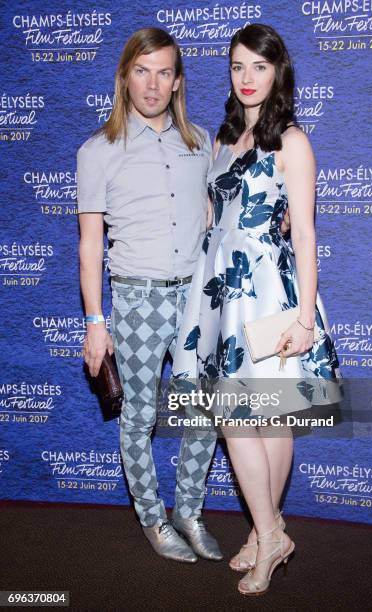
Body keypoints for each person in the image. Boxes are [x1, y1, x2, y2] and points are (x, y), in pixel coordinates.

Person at [172, 23, 341, 595]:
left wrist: (302, 320)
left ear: (278, 73)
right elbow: (213, 224)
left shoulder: (292, 141)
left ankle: (268, 534)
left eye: (259, 67)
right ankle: (267, 530)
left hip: (269, 293)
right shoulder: (222, 141)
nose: (247, 78)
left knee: (259, 417)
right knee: (244, 418)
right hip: (221, 294)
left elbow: (307, 237)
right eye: (238, 67)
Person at [76, 27, 224, 564]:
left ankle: (189, 510)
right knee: (139, 417)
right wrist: (96, 322)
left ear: (178, 81)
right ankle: (154, 520)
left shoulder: (202, 143)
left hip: (195, 299)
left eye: (164, 72)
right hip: (134, 300)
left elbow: (219, 219)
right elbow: (90, 246)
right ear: (124, 78)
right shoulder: (98, 151)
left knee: (204, 412)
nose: (153, 84)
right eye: (142, 71)